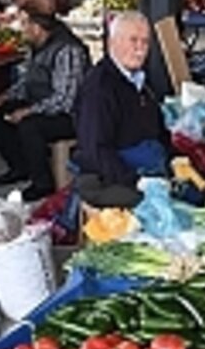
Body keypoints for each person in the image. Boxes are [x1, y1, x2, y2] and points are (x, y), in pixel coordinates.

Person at [0, 4, 90, 201]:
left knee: (29, 126)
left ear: (37, 28)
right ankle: (20, 167)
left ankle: (43, 184)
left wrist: (29, 111)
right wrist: (5, 97)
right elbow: (28, 81)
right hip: (42, 104)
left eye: (24, 24)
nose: (21, 29)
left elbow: (65, 100)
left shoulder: (67, 50)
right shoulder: (37, 47)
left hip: (71, 116)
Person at [73, 12, 171, 209]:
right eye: (133, 40)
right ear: (113, 42)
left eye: (145, 42)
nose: (140, 49)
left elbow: (159, 133)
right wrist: (136, 181)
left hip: (145, 167)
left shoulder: (139, 80)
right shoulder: (100, 88)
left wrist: (174, 160)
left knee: (202, 188)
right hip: (108, 177)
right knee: (156, 205)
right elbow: (96, 150)